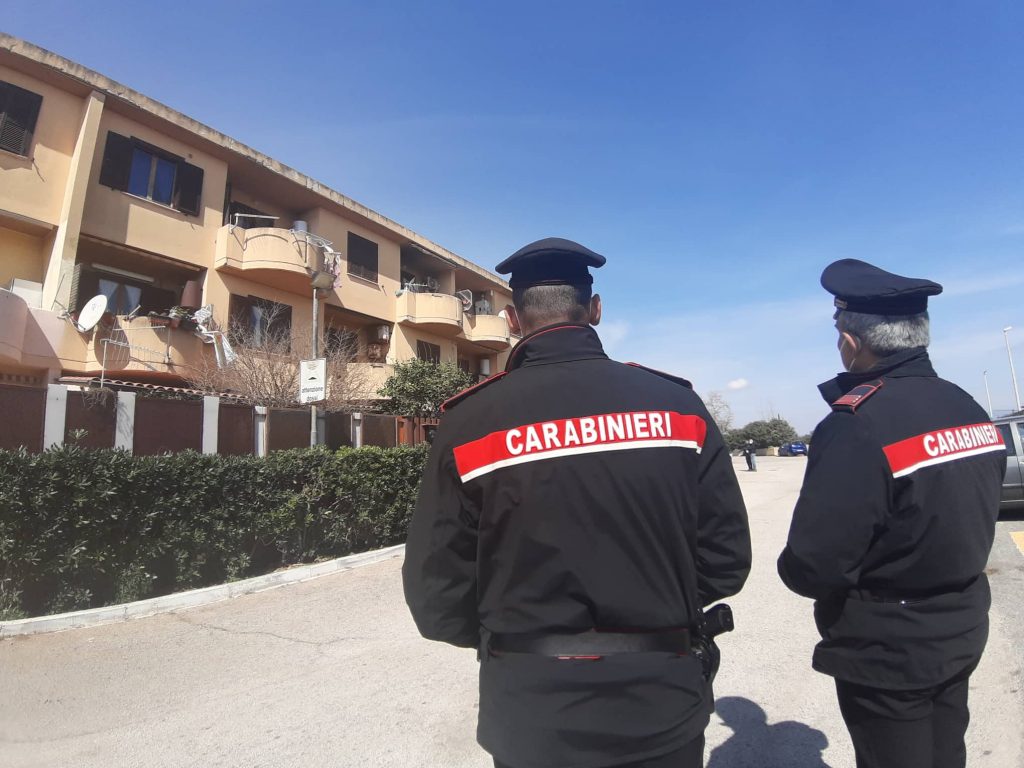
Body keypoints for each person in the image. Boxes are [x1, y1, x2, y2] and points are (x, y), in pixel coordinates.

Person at [403, 238, 752, 768]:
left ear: (513, 319)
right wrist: (660, 607)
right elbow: (725, 558)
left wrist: (514, 639)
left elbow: (436, 592)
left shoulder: (468, 423)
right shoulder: (677, 407)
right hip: (661, 700)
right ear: (595, 309)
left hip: (530, 707)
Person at [777, 259, 1006, 768]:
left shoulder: (857, 423)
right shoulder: (965, 405)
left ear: (851, 341)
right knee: (946, 753)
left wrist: (791, 568)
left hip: (889, 646)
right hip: (961, 624)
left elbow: (817, 563)